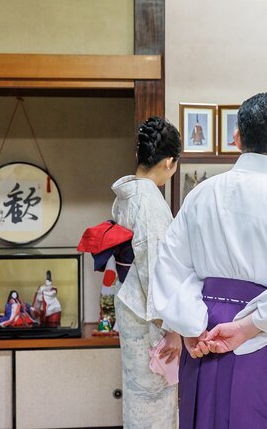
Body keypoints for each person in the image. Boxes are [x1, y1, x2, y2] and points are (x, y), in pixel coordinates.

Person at [152, 92, 267, 429]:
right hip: (259, 333)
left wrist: (190, 327)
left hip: (203, 334)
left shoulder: (201, 194)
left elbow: (171, 264)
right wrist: (244, 328)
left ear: (237, 138)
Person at [111, 116, 182, 429]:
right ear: (169, 162)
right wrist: (172, 328)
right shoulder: (150, 202)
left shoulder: (126, 195)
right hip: (149, 317)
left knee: (140, 401)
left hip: (131, 309)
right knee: (155, 407)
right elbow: (156, 272)